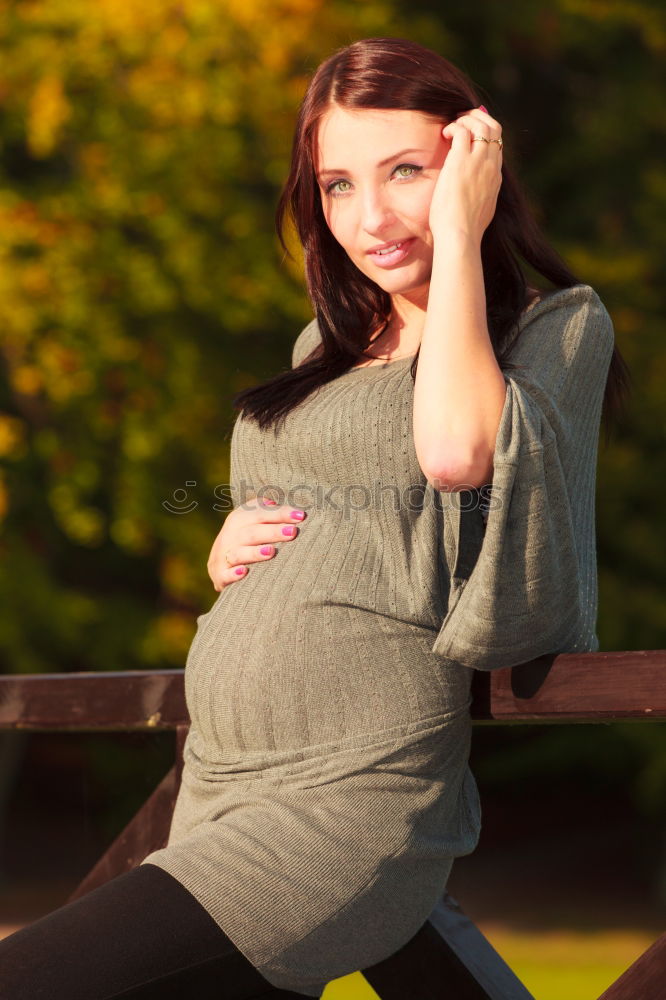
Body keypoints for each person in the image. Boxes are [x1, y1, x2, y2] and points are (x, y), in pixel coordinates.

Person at [0, 36, 630, 1000]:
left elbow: (457, 453)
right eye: (337, 185)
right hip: (216, 788)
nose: (368, 215)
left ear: (473, 165)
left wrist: (460, 237)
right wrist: (236, 546)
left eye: (406, 172)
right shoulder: (328, 342)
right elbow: (337, 503)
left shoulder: (555, 327)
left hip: (346, 802)